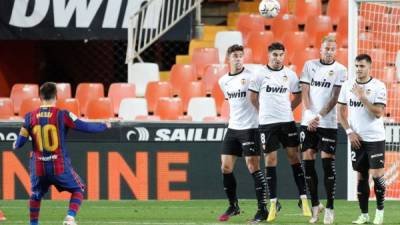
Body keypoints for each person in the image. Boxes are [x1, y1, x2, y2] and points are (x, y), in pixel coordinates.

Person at [13, 82, 111, 225]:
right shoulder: (62, 115)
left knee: (35, 195)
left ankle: (33, 223)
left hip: (38, 167)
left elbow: (19, 143)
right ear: (56, 96)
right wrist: (104, 126)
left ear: (40, 96)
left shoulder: (29, 117)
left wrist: (15, 143)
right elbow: (85, 126)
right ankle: (70, 218)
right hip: (58, 165)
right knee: (78, 189)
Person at [249, 42, 312, 222]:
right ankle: (273, 203)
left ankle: (303, 199)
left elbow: (298, 95)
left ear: (284, 56)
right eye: (274, 55)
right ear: (269, 55)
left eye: (280, 55)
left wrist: (289, 109)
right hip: (267, 124)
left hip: (287, 122)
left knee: (294, 157)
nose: (278, 58)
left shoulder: (290, 75)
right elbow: (252, 97)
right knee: (270, 160)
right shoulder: (260, 74)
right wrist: (263, 111)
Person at [217, 44, 268, 223]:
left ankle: (262, 209)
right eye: (235, 56)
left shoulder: (252, 75)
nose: (238, 58)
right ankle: (234, 206)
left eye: (240, 55)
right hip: (233, 128)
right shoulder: (223, 81)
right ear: (228, 59)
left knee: (253, 167)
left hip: (251, 128)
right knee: (225, 167)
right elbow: (231, 102)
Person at [299, 35, 347, 224]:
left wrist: (318, 117)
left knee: (327, 165)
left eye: (332, 49)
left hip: (327, 124)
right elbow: (304, 91)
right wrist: (310, 115)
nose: (329, 52)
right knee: (308, 165)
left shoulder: (341, 70)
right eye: (326, 48)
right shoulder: (309, 65)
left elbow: (335, 97)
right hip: (308, 122)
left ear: (336, 51)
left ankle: (330, 207)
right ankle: (316, 205)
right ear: (320, 49)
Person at [337, 54, 386, 225]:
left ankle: (379, 212)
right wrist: (349, 131)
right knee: (361, 177)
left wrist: (362, 97)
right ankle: (364, 214)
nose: (358, 69)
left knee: (377, 177)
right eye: (356, 65)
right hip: (356, 139)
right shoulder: (347, 85)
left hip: (375, 139)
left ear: (369, 67)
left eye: (362, 66)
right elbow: (341, 112)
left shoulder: (379, 86)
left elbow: (378, 112)